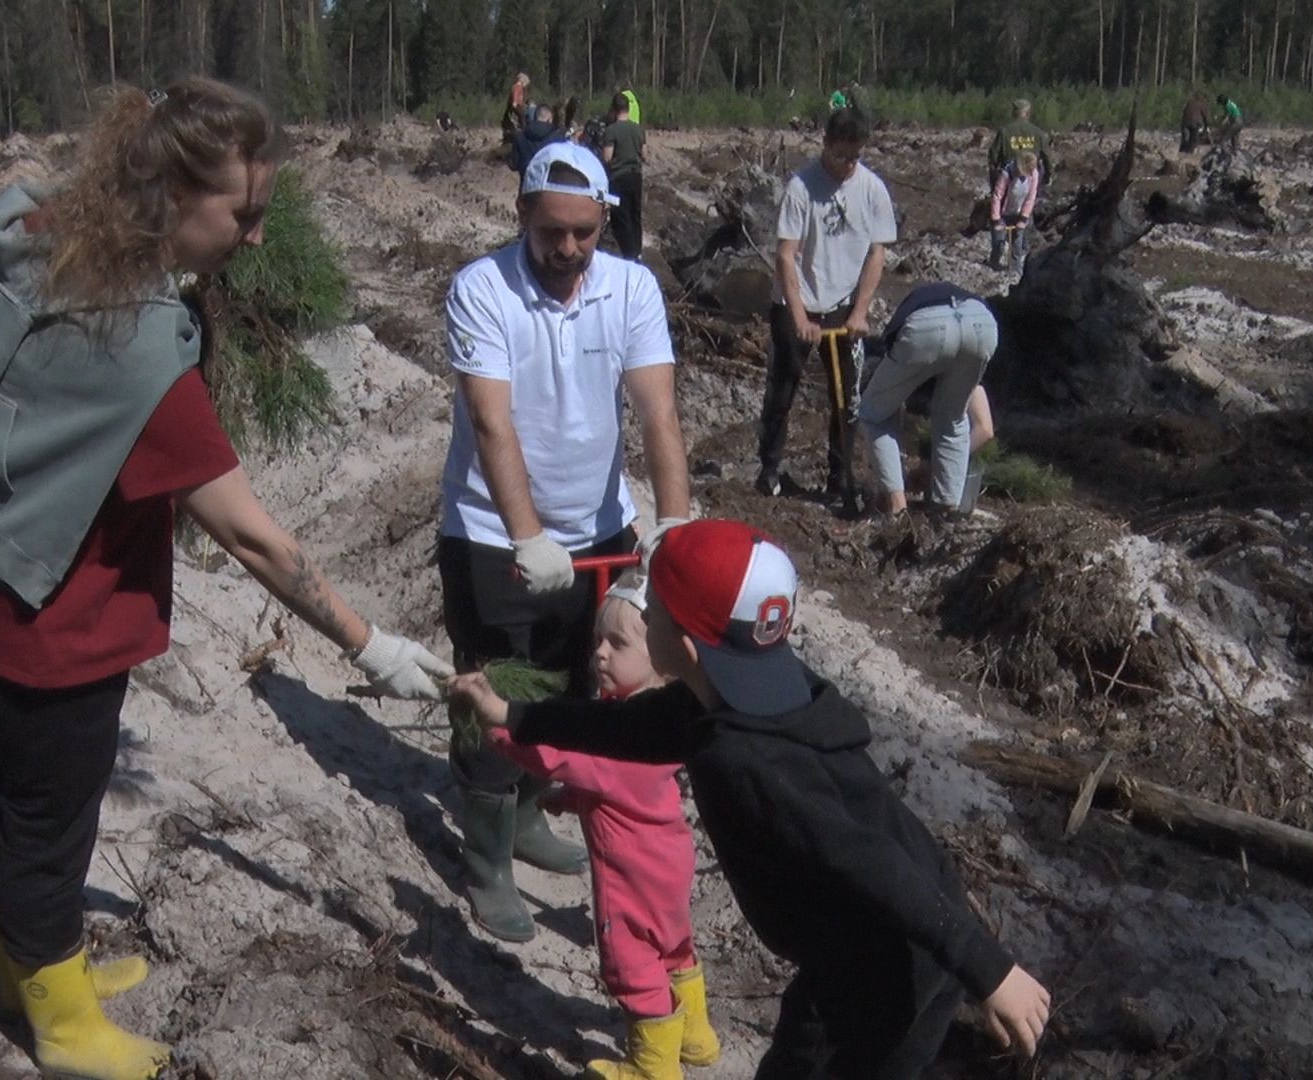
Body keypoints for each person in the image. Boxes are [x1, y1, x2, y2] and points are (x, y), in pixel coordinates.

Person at [0, 79, 451, 1080]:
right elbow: (253, 539)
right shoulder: (138, 348)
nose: (257, 236)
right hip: (54, 613)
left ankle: (21, 959)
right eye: (244, 212)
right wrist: (370, 645)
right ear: (174, 196)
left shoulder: (57, 242)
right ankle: (61, 1022)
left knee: (14, 784)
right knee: (54, 813)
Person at [449, 519, 1053, 1079]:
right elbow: (625, 728)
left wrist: (991, 971)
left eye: (654, 610)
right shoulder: (754, 696)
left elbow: (872, 864)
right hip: (929, 918)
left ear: (684, 647)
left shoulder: (743, 761)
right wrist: (515, 715)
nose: (648, 616)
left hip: (876, 961)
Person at [438, 141, 692, 942]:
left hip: (600, 526)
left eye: (585, 231)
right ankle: (486, 858)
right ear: (522, 214)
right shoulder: (483, 289)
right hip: (493, 533)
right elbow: (491, 422)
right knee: (496, 688)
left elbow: (657, 410)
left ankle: (524, 815)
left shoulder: (630, 287)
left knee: (574, 685)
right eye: (553, 231)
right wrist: (527, 536)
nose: (569, 248)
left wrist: (674, 525)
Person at [486, 575, 717, 1079]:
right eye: (596, 641)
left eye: (617, 643)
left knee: (632, 963)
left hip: (630, 874)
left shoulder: (623, 736)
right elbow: (620, 792)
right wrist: (571, 800)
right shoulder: (658, 723)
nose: (600, 655)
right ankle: (696, 1036)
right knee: (674, 945)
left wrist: (501, 727)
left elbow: (559, 757)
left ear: (660, 658)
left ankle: (653, 1067)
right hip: (669, 861)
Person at [757, 107, 896, 504]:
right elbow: (786, 255)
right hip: (796, 300)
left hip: (842, 305)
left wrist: (859, 312)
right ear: (825, 145)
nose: (847, 164)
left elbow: (877, 254)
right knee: (783, 389)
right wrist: (800, 316)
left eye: (854, 156)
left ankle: (840, 477)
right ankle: (769, 467)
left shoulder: (872, 190)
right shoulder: (801, 187)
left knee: (846, 399)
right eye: (840, 155)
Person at [858, 284, 999, 516]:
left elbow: (985, 429)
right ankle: (947, 512)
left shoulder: (895, 355)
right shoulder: (961, 359)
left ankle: (896, 508)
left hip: (927, 326)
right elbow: (983, 427)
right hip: (981, 323)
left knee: (874, 414)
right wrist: (940, 469)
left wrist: (928, 468)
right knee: (953, 419)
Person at [598, 94, 645, 259]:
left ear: (614, 109)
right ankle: (638, 251)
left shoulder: (611, 130)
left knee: (621, 217)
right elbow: (644, 155)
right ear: (628, 108)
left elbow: (607, 158)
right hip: (636, 176)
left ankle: (629, 254)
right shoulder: (638, 129)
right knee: (635, 215)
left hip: (618, 177)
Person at [988, 150, 1041, 274]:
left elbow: (1031, 197)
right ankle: (993, 266)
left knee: (1017, 245)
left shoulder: (1034, 174)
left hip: (1019, 213)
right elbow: (997, 196)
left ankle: (1015, 271)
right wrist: (996, 220)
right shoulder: (1007, 173)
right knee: (999, 244)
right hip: (1002, 213)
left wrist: (1023, 218)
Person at [986, 98, 1049, 184]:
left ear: (1014, 113)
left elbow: (993, 156)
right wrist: (1048, 177)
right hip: (1031, 178)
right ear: (1028, 113)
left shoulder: (1004, 131)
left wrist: (994, 179)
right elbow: (1046, 157)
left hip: (1008, 177)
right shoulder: (1038, 133)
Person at [509, 103, 565, 173]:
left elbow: (514, 164)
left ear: (535, 117)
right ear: (550, 119)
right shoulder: (558, 139)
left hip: (527, 178)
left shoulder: (520, 137)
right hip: (548, 178)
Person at [504, 72, 531, 137]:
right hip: (517, 105)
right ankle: (523, 129)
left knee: (522, 116)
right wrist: (515, 102)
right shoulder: (517, 86)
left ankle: (522, 127)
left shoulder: (519, 87)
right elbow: (515, 94)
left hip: (519, 105)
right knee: (522, 116)